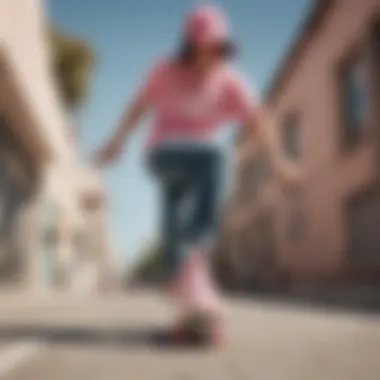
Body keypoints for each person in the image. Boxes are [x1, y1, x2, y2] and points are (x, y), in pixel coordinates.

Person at [94, 5, 297, 311]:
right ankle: (196, 262)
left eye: (216, 51)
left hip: (198, 160)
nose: (208, 59)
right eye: (202, 50)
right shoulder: (165, 70)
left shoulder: (231, 81)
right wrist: (115, 143)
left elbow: (260, 121)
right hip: (163, 153)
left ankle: (180, 280)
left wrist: (279, 160)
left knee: (174, 212)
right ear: (188, 47)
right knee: (215, 153)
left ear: (224, 49)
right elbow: (138, 107)